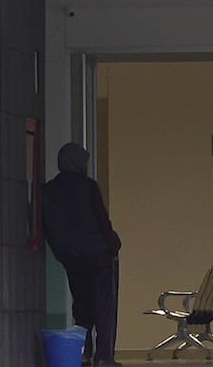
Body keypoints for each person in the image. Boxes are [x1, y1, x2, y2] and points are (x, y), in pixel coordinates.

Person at [43, 142, 123, 367]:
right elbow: (101, 221)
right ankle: (104, 356)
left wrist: (61, 252)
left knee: (81, 306)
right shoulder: (88, 186)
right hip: (98, 256)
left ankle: (84, 352)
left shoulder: (47, 190)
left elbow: (47, 226)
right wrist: (114, 244)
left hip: (71, 258)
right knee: (104, 307)